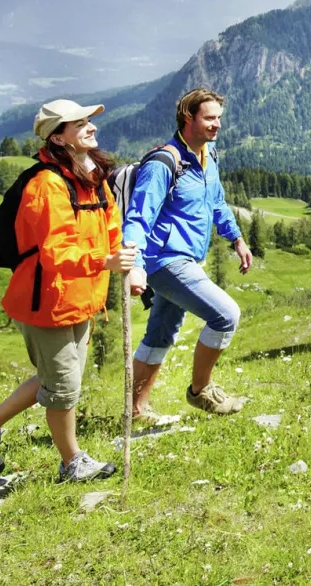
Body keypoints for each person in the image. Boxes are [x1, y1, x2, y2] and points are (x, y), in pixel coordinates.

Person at [0, 99, 135, 483]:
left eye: (88, 121)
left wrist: (125, 260)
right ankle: (72, 463)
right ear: (58, 136)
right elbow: (55, 253)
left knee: (56, 379)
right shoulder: (46, 185)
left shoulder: (94, 176)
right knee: (64, 388)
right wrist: (104, 263)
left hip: (82, 299)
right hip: (45, 302)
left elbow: (111, 225)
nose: (91, 127)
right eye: (79, 123)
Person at [124, 87, 253, 421]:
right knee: (225, 315)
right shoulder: (164, 163)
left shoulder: (208, 156)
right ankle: (201, 392)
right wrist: (135, 265)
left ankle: (135, 410)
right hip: (165, 261)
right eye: (209, 118)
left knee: (160, 335)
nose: (217, 125)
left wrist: (236, 238)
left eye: (219, 118)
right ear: (188, 119)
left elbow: (217, 202)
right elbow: (138, 217)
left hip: (187, 258)